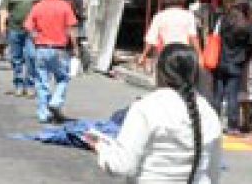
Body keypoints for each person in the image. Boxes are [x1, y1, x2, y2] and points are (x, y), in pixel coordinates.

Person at [88, 43, 223, 184]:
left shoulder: (146, 108)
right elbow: (213, 172)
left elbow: (121, 166)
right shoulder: (209, 113)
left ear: (160, 71)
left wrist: (102, 148)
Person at [25, 0, 79, 124]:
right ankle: (55, 102)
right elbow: (71, 29)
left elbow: (28, 27)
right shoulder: (64, 6)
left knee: (42, 81)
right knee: (63, 78)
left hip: (42, 48)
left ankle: (44, 113)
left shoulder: (37, 7)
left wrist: (36, 38)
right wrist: (75, 48)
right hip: (59, 49)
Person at [214, 3, 252, 135]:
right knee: (233, 96)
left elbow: (218, 38)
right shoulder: (248, 27)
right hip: (237, 63)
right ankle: (232, 126)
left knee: (218, 95)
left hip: (221, 61)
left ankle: (213, 122)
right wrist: (245, 58)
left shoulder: (224, 22)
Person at [1, 0, 42, 97]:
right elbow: (4, 9)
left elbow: (42, 8)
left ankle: (30, 85)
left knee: (31, 57)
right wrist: (2, 25)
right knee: (16, 58)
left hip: (32, 30)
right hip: (14, 28)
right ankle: (18, 84)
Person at [138, 0, 202, 71]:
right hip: (184, 53)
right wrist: (200, 55)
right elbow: (193, 36)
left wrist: (143, 55)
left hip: (166, 53)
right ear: (183, 0)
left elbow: (151, 38)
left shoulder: (160, 16)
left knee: (164, 79)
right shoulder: (188, 16)